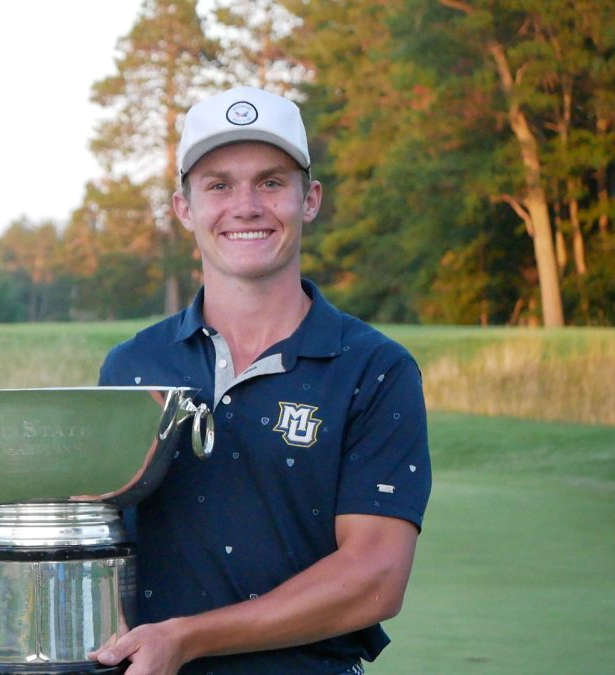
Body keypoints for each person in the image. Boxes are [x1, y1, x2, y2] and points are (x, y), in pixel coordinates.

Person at [91, 86, 432, 674]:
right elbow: (97, 540)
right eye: (219, 185)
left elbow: (375, 578)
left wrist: (186, 638)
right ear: (184, 208)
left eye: (270, 182)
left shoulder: (375, 369)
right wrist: (24, 627)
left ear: (310, 199)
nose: (245, 205)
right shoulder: (131, 366)